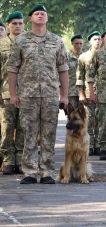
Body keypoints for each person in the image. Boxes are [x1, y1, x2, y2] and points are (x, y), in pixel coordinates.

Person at [7, 4, 70, 184]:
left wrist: (64, 95)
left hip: (50, 95)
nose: (40, 16)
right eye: (36, 14)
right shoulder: (21, 41)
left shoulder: (57, 41)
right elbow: (13, 69)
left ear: (47, 18)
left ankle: (47, 171)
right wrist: (13, 94)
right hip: (28, 94)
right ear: (31, 19)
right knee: (29, 133)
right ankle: (29, 171)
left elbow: (63, 69)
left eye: (43, 14)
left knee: (49, 133)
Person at [0, 11, 25, 175]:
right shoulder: (1, 44)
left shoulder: (28, 43)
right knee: (7, 128)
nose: (17, 26)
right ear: (8, 25)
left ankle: (21, 161)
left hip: (26, 93)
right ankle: (8, 161)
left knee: (24, 128)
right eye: (14, 23)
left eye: (20, 23)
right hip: (6, 92)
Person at [87, 29, 106, 160]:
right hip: (102, 94)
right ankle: (103, 148)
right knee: (102, 122)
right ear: (103, 39)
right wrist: (91, 92)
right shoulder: (97, 55)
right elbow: (90, 75)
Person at [77, 30, 102, 156]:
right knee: (89, 119)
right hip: (88, 92)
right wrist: (81, 93)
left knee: (101, 120)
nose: (98, 41)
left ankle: (99, 145)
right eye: (95, 39)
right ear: (90, 42)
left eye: (99, 39)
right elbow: (80, 76)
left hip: (103, 93)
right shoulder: (83, 57)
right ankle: (90, 145)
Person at [67, 34, 83, 111]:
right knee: (71, 115)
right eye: (76, 43)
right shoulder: (66, 57)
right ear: (72, 43)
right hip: (70, 92)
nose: (79, 45)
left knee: (84, 116)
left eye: (80, 43)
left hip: (83, 92)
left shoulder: (86, 57)